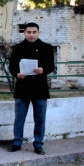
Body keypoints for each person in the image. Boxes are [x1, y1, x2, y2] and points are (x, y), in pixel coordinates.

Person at [7, 22, 55, 155]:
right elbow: (12, 66)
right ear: (24, 33)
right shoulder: (17, 48)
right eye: (29, 32)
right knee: (19, 118)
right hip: (22, 87)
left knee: (40, 118)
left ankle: (38, 144)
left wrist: (42, 69)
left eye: (34, 32)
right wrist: (17, 74)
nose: (31, 35)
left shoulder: (46, 47)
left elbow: (51, 66)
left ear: (38, 33)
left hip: (40, 88)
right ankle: (17, 143)